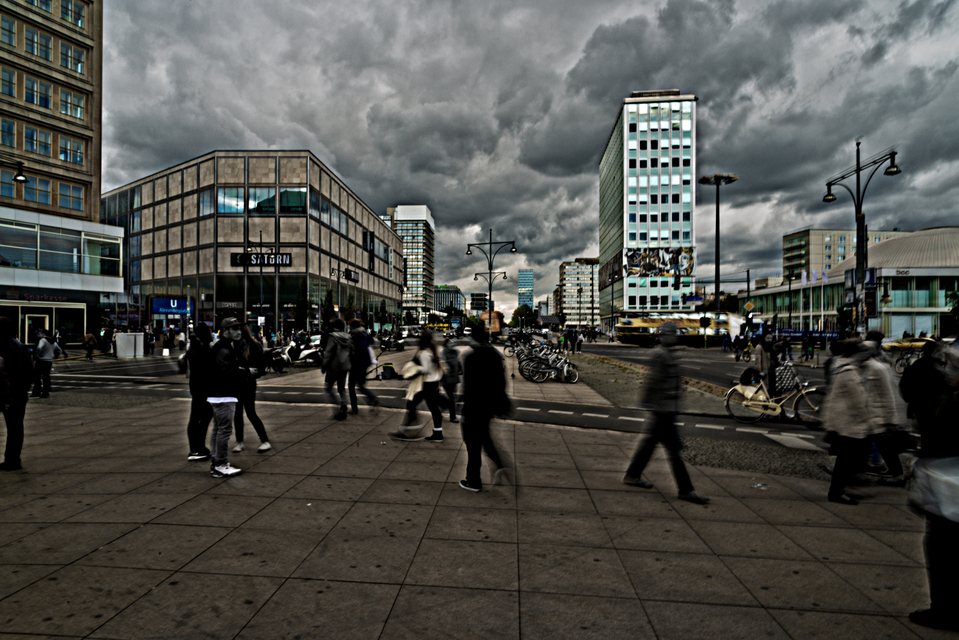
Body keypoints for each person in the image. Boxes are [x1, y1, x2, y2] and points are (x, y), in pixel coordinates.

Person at [899, 341, 959, 631]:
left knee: (942, 548)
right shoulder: (946, 394)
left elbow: (939, 440)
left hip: (950, 490)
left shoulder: (948, 401)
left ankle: (945, 610)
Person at [623, 322, 709, 504]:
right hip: (662, 410)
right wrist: (645, 401)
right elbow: (652, 380)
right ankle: (685, 490)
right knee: (673, 451)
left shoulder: (669, 353)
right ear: (665, 336)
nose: (675, 336)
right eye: (672, 334)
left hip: (666, 410)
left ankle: (632, 474)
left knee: (649, 444)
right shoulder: (660, 354)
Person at [459, 322, 511, 492]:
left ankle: (473, 480)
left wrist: (463, 406)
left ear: (473, 338)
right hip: (490, 406)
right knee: (484, 437)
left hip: (474, 406)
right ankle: (500, 465)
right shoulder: (494, 354)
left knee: (472, 442)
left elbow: (469, 386)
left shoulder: (471, 357)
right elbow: (502, 381)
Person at [821, 339, 872, 505]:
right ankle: (837, 492)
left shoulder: (843, 367)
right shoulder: (849, 372)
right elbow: (859, 401)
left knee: (845, 459)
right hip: (848, 423)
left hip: (843, 421)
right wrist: (867, 420)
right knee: (845, 460)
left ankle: (838, 490)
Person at [207, 317, 250, 477]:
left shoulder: (222, 347)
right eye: (235, 329)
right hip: (224, 394)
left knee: (218, 428)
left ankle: (216, 460)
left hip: (218, 394)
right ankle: (220, 463)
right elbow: (228, 372)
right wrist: (245, 372)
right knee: (224, 430)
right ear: (225, 331)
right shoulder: (224, 350)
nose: (239, 332)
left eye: (239, 328)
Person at [398, 330, 446, 441]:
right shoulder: (435, 349)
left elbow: (426, 369)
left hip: (427, 384)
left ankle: (408, 430)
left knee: (412, 404)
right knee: (433, 408)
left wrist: (413, 373)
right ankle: (437, 432)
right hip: (435, 382)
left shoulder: (424, 353)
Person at [232, 324, 272, 453]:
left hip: (247, 383)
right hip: (238, 382)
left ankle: (264, 440)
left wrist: (252, 372)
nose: (235, 333)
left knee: (250, 412)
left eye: (237, 331)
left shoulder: (252, 346)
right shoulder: (234, 345)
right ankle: (240, 441)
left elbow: (261, 366)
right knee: (238, 413)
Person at [0, 318, 33, 471]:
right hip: (16, 394)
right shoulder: (19, 346)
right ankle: (13, 459)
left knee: (14, 428)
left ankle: (12, 460)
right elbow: (30, 370)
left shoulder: (8, 348)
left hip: (10, 393)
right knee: (15, 428)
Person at [184, 323, 214, 461]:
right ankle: (198, 448)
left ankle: (196, 448)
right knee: (204, 417)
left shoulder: (193, 349)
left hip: (196, 387)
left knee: (196, 418)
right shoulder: (204, 350)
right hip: (204, 388)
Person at [322, 318, 353, 420]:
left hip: (334, 366)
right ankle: (344, 406)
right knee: (341, 388)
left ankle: (337, 407)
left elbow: (328, 352)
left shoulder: (332, 337)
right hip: (345, 366)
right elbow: (352, 351)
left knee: (328, 387)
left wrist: (324, 365)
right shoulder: (348, 337)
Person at [347, 319, 380, 414]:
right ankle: (372, 398)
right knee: (361, 385)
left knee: (351, 386)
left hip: (354, 364)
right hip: (365, 364)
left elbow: (349, 350)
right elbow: (372, 341)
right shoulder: (364, 334)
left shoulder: (352, 336)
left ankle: (354, 408)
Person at [31, 330, 62, 398]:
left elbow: (39, 347)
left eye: (40, 333)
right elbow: (60, 350)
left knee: (37, 377)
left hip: (41, 360)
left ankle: (37, 392)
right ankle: (45, 392)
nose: (39, 334)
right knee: (46, 377)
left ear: (43, 334)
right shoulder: (53, 342)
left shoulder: (43, 340)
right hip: (49, 361)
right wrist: (54, 356)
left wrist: (36, 355)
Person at [441, 337, 462, 424]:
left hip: (454, 378)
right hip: (446, 379)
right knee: (452, 398)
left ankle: (442, 407)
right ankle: (452, 417)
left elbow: (458, 361)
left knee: (452, 397)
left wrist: (460, 369)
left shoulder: (455, 351)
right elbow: (443, 364)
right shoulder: (444, 352)